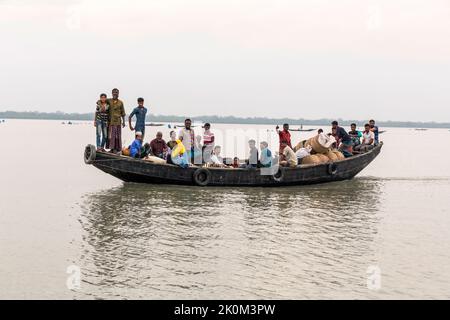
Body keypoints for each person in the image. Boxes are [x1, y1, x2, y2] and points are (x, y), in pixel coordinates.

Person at [107, 88, 126, 153]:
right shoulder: (108, 101)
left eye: (116, 92)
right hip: (111, 121)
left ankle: (117, 148)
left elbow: (123, 113)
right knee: (111, 135)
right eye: (114, 92)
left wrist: (123, 122)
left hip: (118, 121)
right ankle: (112, 149)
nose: (115, 94)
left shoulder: (121, 102)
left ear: (118, 94)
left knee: (118, 135)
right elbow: (101, 101)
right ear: (112, 93)